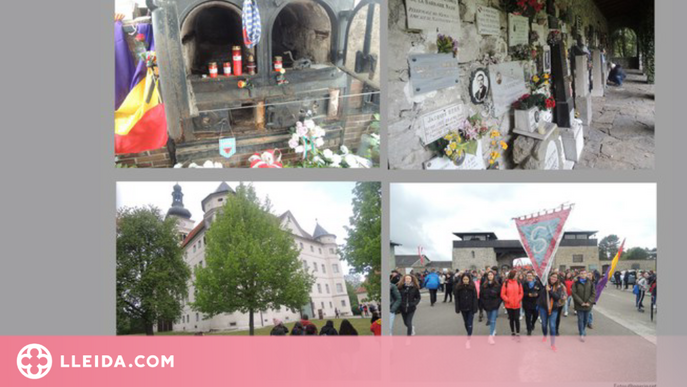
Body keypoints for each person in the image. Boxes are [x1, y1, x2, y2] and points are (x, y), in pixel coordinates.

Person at [537, 272, 566, 351]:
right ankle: (545, 335)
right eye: (552, 277)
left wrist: (550, 291)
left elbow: (557, 297)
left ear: (557, 279)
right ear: (549, 277)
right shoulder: (544, 284)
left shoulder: (559, 287)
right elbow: (539, 293)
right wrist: (544, 288)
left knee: (552, 326)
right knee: (544, 324)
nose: (553, 279)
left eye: (555, 277)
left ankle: (552, 344)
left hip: (553, 309)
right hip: (543, 308)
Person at [454, 273, 479, 348]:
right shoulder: (458, 287)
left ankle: (468, 340)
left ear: (469, 280)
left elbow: (475, 298)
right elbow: (456, 299)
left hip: (471, 308)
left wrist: (475, 307)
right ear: (462, 280)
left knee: (469, 323)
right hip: (463, 308)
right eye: (464, 279)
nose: (465, 281)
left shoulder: (472, 287)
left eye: (467, 279)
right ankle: (469, 334)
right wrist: (457, 308)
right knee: (466, 323)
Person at [571, 269, 596, 341]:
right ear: (579, 275)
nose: (583, 275)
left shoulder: (590, 283)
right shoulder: (575, 283)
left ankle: (583, 329)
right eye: (581, 273)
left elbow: (593, 293)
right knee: (580, 319)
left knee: (586, 320)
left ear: (586, 274)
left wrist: (589, 302)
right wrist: (581, 302)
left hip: (588, 305)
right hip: (579, 305)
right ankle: (581, 333)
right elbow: (574, 293)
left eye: (584, 273)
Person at [480, 271, 502, 344]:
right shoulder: (484, 285)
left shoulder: (497, 285)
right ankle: (493, 329)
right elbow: (481, 295)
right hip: (487, 305)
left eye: (491, 275)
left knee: (493, 320)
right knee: (489, 319)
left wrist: (498, 303)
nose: (490, 276)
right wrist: (483, 304)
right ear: (487, 277)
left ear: (493, 276)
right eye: (489, 275)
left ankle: (491, 336)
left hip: (494, 305)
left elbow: (500, 296)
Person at [501, 270, 524, 340]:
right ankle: (512, 331)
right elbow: (502, 294)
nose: (517, 276)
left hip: (517, 304)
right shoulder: (506, 283)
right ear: (512, 275)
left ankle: (518, 332)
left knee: (517, 319)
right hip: (509, 305)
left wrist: (518, 299)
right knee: (511, 319)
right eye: (516, 275)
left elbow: (521, 293)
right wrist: (508, 300)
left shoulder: (518, 283)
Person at [522, 271, 542, 336]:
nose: (529, 277)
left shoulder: (537, 283)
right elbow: (522, 293)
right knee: (528, 317)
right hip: (527, 303)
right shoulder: (524, 284)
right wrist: (528, 294)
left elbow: (541, 291)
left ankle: (532, 323)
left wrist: (537, 294)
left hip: (535, 303)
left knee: (535, 316)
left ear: (533, 276)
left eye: (530, 276)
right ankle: (529, 329)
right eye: (528, 276)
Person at [389, 271, 402, 336]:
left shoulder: (397, 277)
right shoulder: (394, 277)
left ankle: (397, 310)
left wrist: (392, 309)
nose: (392, 273)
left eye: (393, 272)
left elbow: (397, 283)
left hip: (396, 289)